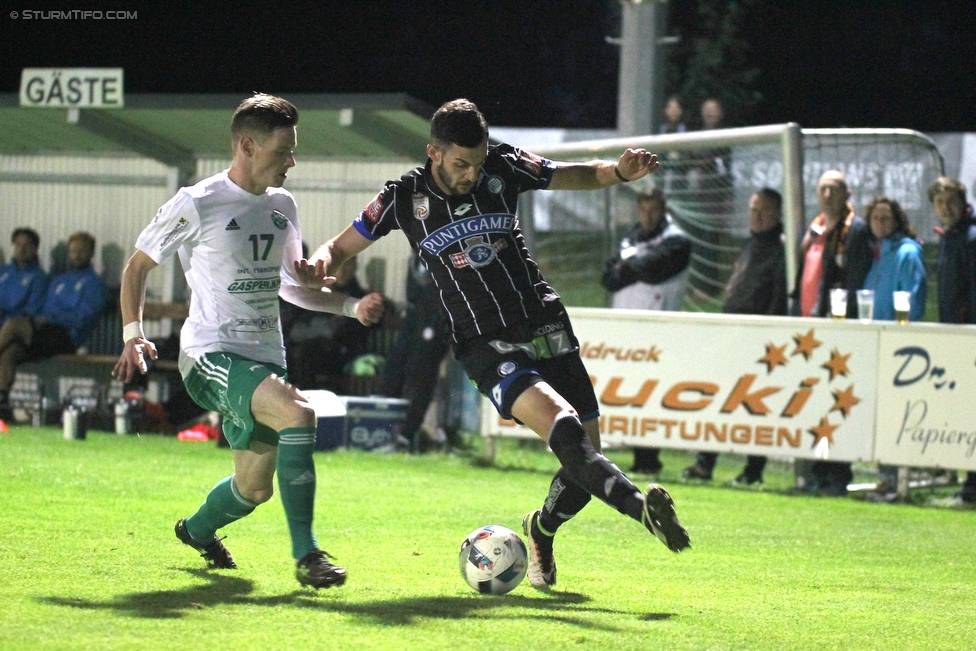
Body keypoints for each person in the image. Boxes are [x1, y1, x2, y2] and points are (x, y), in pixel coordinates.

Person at [299, 98, 691, 589]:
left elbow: (573, 174)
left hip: (543, 318)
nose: (470, 174)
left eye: (477, 163)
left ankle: (540, 530)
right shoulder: (403, 198)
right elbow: (339, 246)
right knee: (566, 429)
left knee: (585, 463)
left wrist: (618, 171)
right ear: (434, 153)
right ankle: (644, 512)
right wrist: (320, 264)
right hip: (484, 340)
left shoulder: (503, 164)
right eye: (461, 164)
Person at [111, 94, 384, 589]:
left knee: (253, 489)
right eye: (283, 151)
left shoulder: (283, 205)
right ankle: (308, 556)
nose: (292, 162)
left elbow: (291, 287)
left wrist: (348, 306)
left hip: (263, 360)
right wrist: (133, 334)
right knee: (299, 413)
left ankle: (195, 531)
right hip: (211, 355)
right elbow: (137, 267)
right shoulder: (198, 201)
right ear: (246, 146)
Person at [682, 188, 788, 485]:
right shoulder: (750, 245)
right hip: (733, 334)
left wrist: (766, 337)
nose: (756, 216)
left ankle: (753, 471)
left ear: (778, 213)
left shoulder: (781, 249)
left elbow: (778, 299)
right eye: (753, 209)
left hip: (759, 339)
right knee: (720, 398)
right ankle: (705, 463)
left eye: (763, 210)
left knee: (756, 404)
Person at [792, 170, 873, 496]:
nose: (827, 194)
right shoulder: (815, 228)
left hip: (837, 333)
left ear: (847, 194)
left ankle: (838, 474)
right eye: (822, 188)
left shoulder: (855, 231)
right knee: (811, 405)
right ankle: (817, 472)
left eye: (834, 189)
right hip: (808, 332)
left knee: (836, 405)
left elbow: (855, 279)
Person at [601, 187, 690, 474]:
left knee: (651, 395)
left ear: (664, 208)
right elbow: (608, 278)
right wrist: (633, 267)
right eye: (643, 209)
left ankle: (649, 458)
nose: (648, 216)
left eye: (653, 209)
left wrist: (626, 267)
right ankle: (632, 456)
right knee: (627, 393)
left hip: (659, 333)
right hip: (625, 334)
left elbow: (654, 269)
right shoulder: (630, 238)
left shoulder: (677, 241)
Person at [0, 232, 106, 421]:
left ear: (91, 253)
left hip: (67, 338)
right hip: (45, 335)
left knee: (15, 325)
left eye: (82, 250)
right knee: (11, 352)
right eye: (73, 250)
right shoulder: (59, 281)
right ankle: (2, 405)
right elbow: (43, 311)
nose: (77, 254)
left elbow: (83, 318)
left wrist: (50, 319)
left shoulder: (94, 284)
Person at [928, 176, 976, 504]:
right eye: (940, 203)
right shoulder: (951, 237)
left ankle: (972, 487)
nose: (946, 208)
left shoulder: (971, 238)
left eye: (951, 202)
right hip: (955, 336)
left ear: (964, 202)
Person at [380, 250, 452, 452]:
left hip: (436, 320)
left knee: (423, 375)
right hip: (414, 318)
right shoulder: (416, 252)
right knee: (395, 366)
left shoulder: (445, 250)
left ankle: (406, 436)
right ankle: (384, 430)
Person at [279, 255, 371, 392]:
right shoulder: (322, 292)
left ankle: (306, 393)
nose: (343, 270)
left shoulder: (359, 296)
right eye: (341, 266)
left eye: (348, 265)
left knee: (306, 353)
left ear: (355, 267)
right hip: (314, 344)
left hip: (341, 349)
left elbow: (357, 331)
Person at [0, 228, 48, 326]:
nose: (21, 249)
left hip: (14, 326)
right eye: (18, 245)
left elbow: (31, 312)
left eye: (26, 246)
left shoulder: (39, 277)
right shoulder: (3, 271)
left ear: (35, 249)